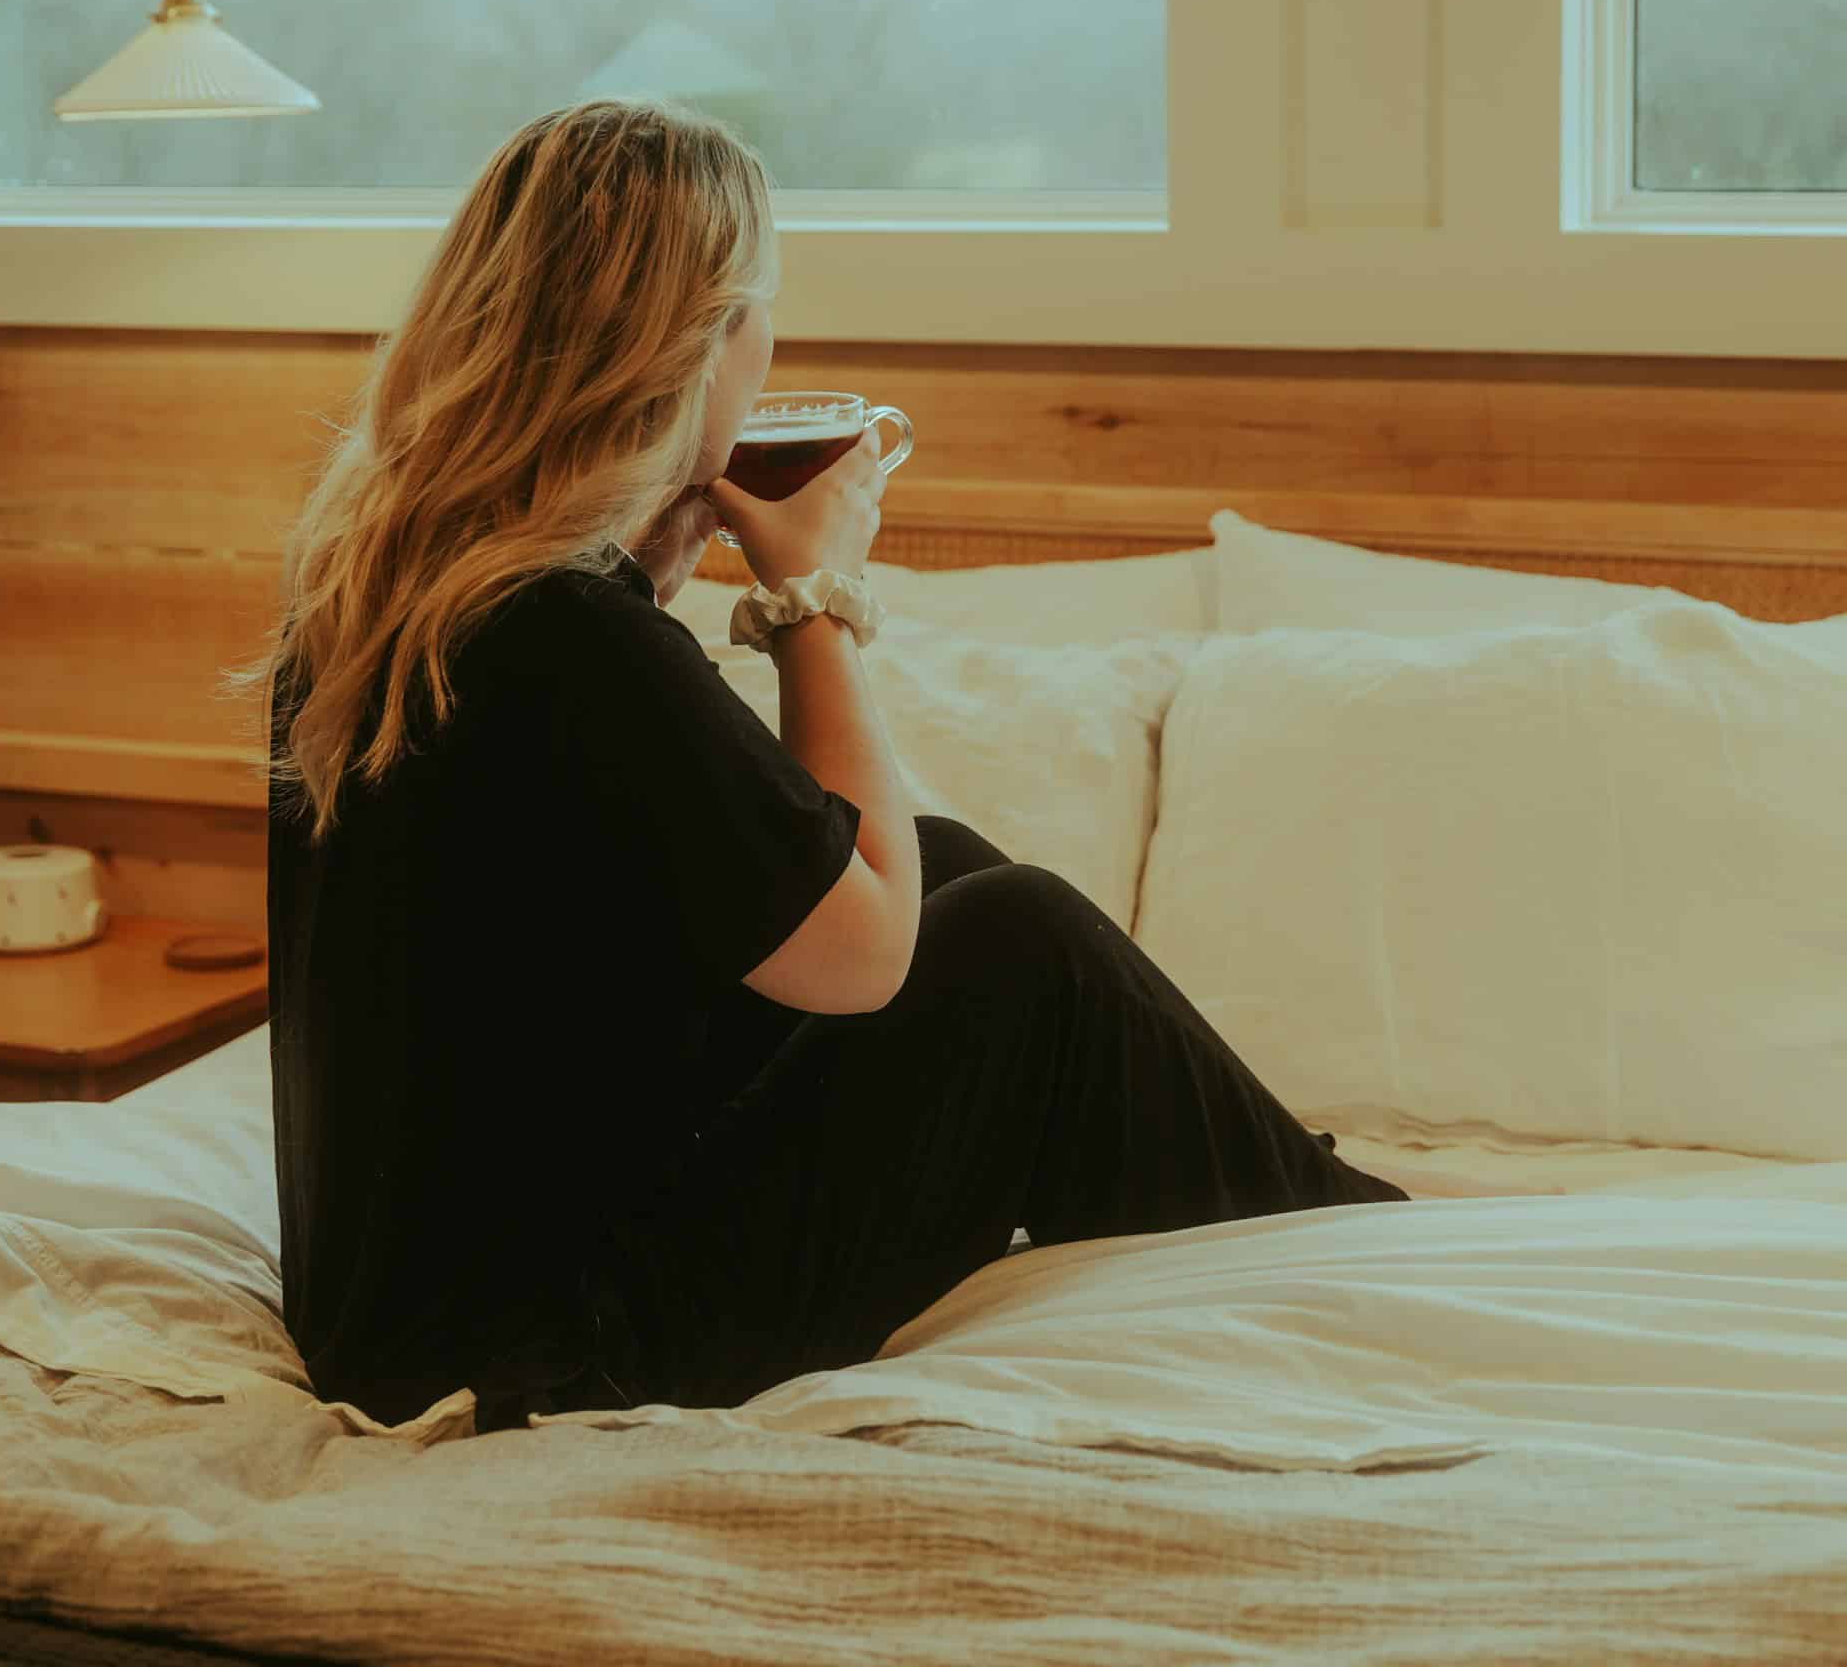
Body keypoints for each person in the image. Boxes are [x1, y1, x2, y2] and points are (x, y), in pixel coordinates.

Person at [239, 99, 1409, 1440]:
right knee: (1024, 941)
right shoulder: (571, 634)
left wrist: (658, 564)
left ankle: (1286, 1199)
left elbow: (595, 934)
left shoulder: (389, 593)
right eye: (765, 313)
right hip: (556, 1356)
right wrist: (812, 600)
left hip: (397, 1318)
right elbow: (859, 958)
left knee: (956, 866)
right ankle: (1348, 1241)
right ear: (707, 336)